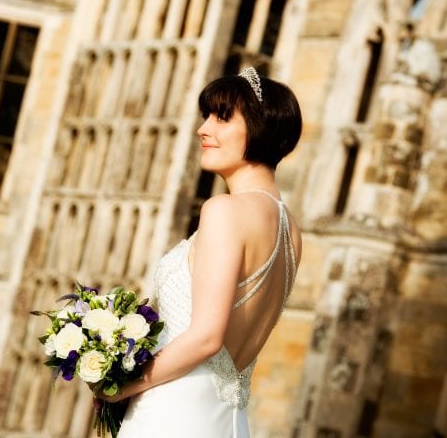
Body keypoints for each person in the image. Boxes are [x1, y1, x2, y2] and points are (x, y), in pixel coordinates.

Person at [104, 67, 303, 438]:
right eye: (206, 116)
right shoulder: (290, 230)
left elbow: (207, 337)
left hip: (172, 415)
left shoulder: (224, 210)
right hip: (227, 421)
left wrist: (117, 388)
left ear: (262, 128)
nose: (203, 129)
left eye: (222, 117)